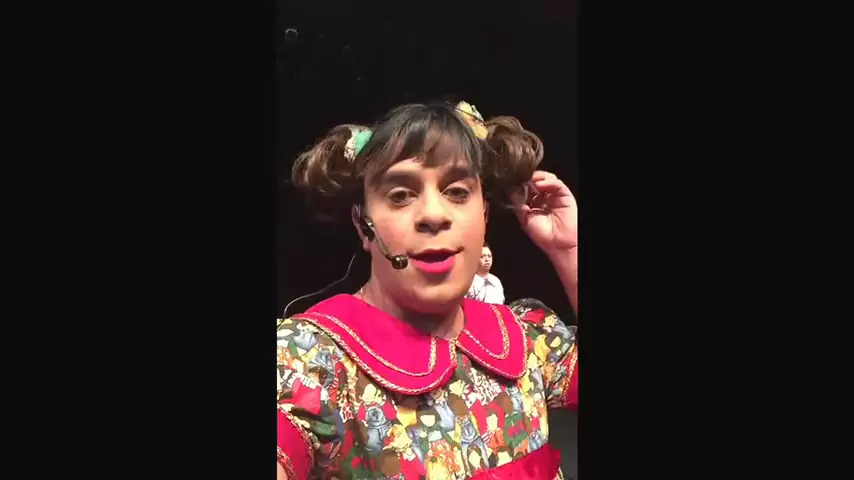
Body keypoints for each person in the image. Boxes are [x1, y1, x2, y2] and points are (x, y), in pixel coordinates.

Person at [278, 100, 578, 479]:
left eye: (457, 191)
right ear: (362, 225)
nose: (434, 215)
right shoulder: (308, 362)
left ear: (484, 215)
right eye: (400, 195)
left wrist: (571, 251)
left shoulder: (526, 338)